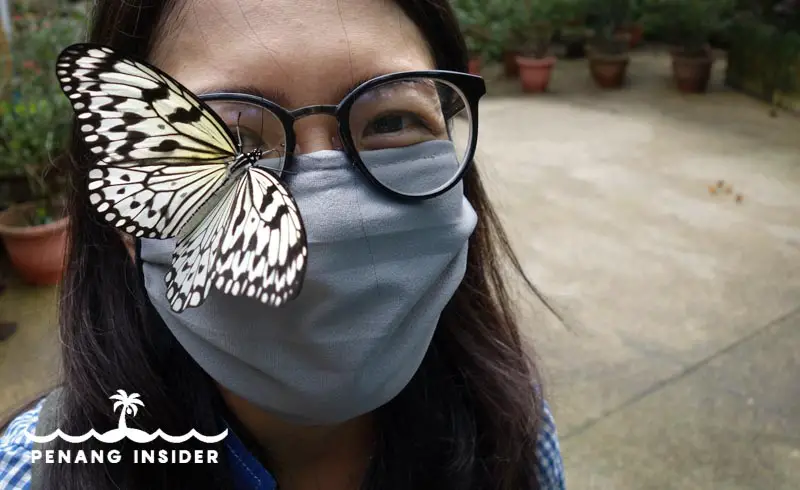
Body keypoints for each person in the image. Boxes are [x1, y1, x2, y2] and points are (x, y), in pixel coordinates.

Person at [0, 0, 566, 489]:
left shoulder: (515, 430)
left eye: (393, 120)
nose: (331, 212)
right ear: (127, 217)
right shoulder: (34, 472)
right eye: (233, 136)